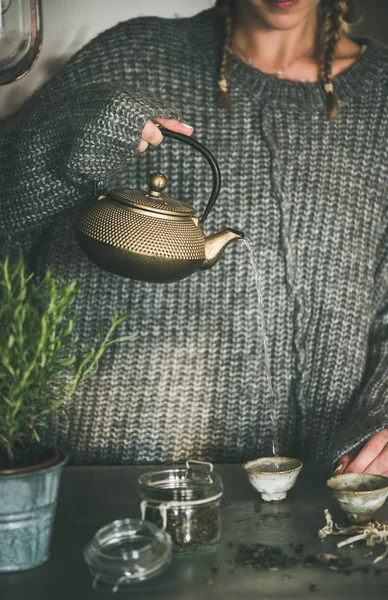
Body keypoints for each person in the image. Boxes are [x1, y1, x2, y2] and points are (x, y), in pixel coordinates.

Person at [1, 0, 388, 473]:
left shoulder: (382, 95)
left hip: (317, 498)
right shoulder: (133, 55)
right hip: (108, 480)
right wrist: (59, 136)